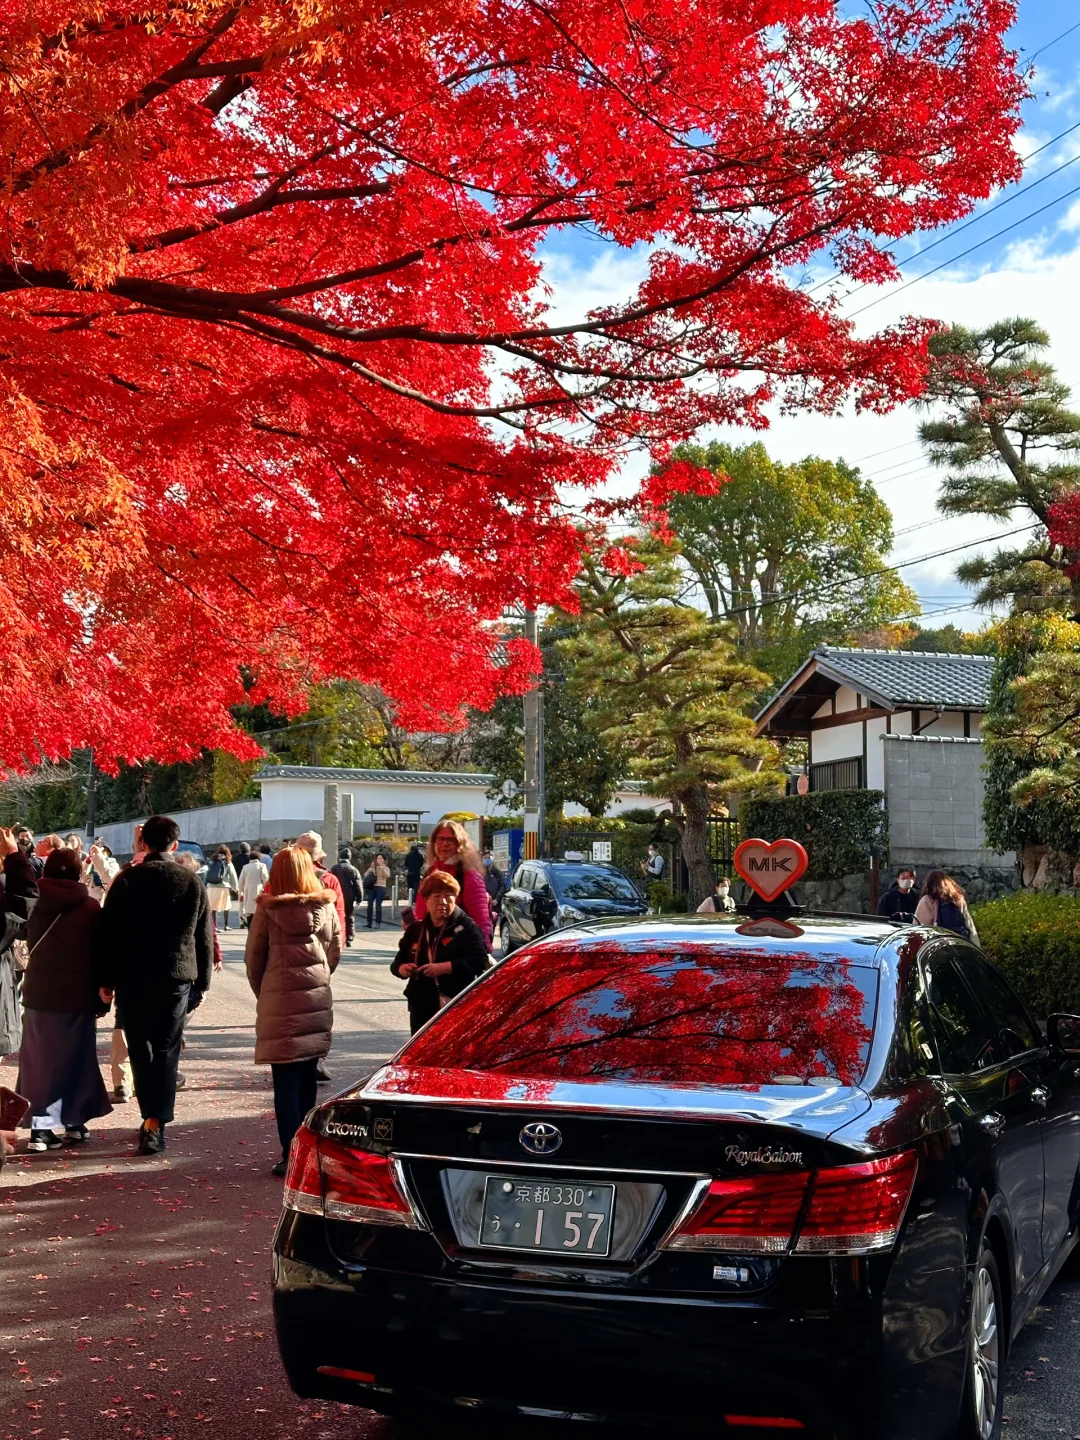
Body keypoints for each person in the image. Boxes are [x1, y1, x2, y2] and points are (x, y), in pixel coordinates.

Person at [95, 815, 214, 1155]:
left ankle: (150, 1116)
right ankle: (155, 1121)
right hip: (175, 976)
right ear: (174, 845)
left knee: (140, 1047)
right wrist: (202, 982)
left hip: (133, 976)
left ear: (143, 844)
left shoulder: (128, 880)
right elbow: (202, 936)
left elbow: (108, 933)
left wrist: (105, 979)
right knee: (166, 1048)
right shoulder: (190, 880)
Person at [244, 846, 341, 1176]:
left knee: (284, 1081)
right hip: (315, 1000)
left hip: (278, 1001)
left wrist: (265, 992)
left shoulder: (267, 911)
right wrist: (320, 980)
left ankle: (290, 1153)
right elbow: (334, 950)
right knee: (307, 1078)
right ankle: (310, 1149)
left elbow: (253, 959)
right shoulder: (325, 907)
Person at [17, 847, 112, 1150]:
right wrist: (106, 988)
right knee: (77, 1060)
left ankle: (40, 1128)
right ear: (77, 872)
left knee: (40, 1064)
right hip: (77, 995)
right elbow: (100, 955)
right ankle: (73, 1122)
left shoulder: (33, 902)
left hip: (39, 993)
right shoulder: (89, 907)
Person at [391, 870, 489, 1033]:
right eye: (436, 896)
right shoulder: (416, 929)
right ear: (426, 900)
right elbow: (396, 963)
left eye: (448, 895)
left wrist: (444, 967)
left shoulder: (467, 928)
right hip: (421, 1006)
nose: (442, 902)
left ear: (456, 898)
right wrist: (402, 969)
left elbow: (480, 962)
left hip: (455, 1004)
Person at [413, 821, 492, 947]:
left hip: (458, 952)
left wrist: (482, 950)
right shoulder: (430, 872)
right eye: (440, 839)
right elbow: (422, 912)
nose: (445, 844)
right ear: (433, 843)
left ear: (460, 844)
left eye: (451, 840)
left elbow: (481, 919)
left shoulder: (469, 876)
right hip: (429, 949)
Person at [295, 833, 346, 937]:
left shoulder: (279, 874)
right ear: (319, 857)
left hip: (282, 947)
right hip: (320, 944)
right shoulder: (329, 879)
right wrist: (339, 945)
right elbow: (338, 914)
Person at [914, 871, 980, 946]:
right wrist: (977, 948)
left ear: (928, 883)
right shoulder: (957, 899)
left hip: (939, 948)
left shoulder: (927, 900)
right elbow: (970, 926)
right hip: (960, 944)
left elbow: (919, 929)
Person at [331, 849, 363, 945]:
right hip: (350, 896)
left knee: (337, 916)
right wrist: (359, 899)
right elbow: (358, 885)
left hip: (337, 896)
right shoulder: (353, 869)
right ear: (349, 857)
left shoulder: (334, 868)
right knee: (349, 916)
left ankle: (339, 936)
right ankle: (349, 936)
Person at [205, 846, 238, 931]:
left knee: (213, 908)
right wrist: (236, 888)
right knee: (226, 907)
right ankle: (226, 926)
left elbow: (206, 873)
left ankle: (214, 927)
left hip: (211, 887)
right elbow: (232, 875)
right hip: (223, 887)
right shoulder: (227, 862)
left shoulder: (212, 861)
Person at [239, 848, 269, 929]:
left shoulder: (245, 867)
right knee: (258, 911)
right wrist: (265, 890)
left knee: (249, 912)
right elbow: (266, 879)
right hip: (258, 890)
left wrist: (240, 893)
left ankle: (250, 930)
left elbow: (241, 881)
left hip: (247, 891)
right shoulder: (262, 866)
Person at [364, 851, 391, 930]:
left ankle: (378, 923)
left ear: (384, 860)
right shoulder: (373, 867)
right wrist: (371, 869)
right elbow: (365, 875)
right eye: (378, 858)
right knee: (369, 905)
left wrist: (382, 868)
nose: (379, 860)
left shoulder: (386, 868)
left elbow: (387, 875)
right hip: (372, 887)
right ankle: (369, 922)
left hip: (381, 887)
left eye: (380, 858)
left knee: (378, 905)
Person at [482, 851, 506, 920]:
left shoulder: (497, 873)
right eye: (485, 858)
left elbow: (503, 886)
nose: (487, 859)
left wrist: (497, 899)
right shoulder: (480, 872)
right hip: (483, 905)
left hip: (495, 905)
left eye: (488, 858)